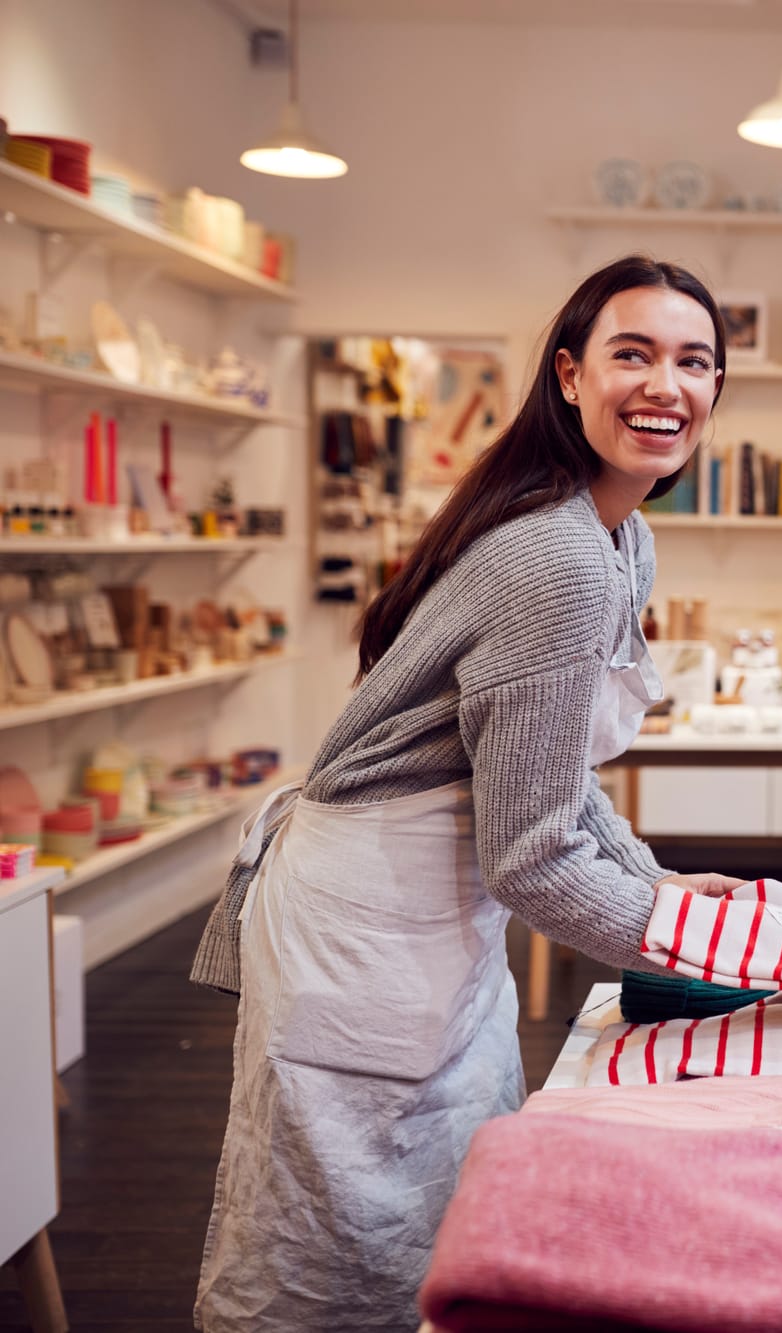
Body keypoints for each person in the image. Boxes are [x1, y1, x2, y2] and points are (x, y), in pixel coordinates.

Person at [190, 256, 745, 1330]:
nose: (664, 384)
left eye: (693, 361)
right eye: (632, 354)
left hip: (431, 911)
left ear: (717, 391)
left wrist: (656, 883)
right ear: (570, 375)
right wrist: (685, 939)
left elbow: (551, 776)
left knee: (445, 1192)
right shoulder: (559, 558)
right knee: (337, 1236)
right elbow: (532, 853)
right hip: (367, 923)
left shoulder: (618, 538)